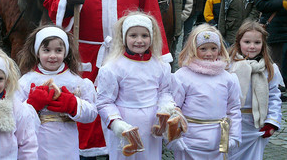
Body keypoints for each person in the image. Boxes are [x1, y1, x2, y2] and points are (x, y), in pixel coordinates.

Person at [43, 0, 172, 158]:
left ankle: (126, 146)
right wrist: (68, 1)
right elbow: (51, 3)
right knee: (88, 108)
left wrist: (161, 54)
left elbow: (151, 12)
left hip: (128, 56)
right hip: (86, 53)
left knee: (124, 109)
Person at [96, 11, 179, 159]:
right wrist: (116, 123)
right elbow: (104, 101)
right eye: (133, 35)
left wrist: (167, 107)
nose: (139, 40)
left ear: (152, 38)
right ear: (124, 38)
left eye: (144, 36)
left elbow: (164, 92)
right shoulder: (113, 67)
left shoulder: (161, 65)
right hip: (126, 122)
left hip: (152, 124)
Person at [16, 25, 98, 159]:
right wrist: (31, 105)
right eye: (46, 50)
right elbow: (15, 115)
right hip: (37, 139)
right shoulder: (26, 81)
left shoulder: (75, 81)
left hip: (66, 141)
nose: (53, 56)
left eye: (58, 50)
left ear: (65, 52)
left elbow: (92, 114)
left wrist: (73, 105)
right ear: (37, 52)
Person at [171, 24, 241, 159]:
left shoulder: (227, 78)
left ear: (220, 50)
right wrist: (174, 136)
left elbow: (233, 108)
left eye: (213, 48)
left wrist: (234, 135)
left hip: (218, 139)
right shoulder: (182, 76)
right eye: (203, 49)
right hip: (190, 139)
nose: (209, 53)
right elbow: (174, 108)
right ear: (193, 49)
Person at [228, 21, 282, 160]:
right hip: (231, 123)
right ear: (239, 42)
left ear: (263, 44)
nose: (252, 46)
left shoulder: (269, 69)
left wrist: (272, 121)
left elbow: (274, 96)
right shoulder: (229, 65)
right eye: (247, 42)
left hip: (255, 125)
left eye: (257, 42)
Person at [255, 0, 287, 88]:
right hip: (273, 28)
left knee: (284, 60)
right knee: (276, 60)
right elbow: (260, 4)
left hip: (284, 26)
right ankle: (274, 86)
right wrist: (282, 3)